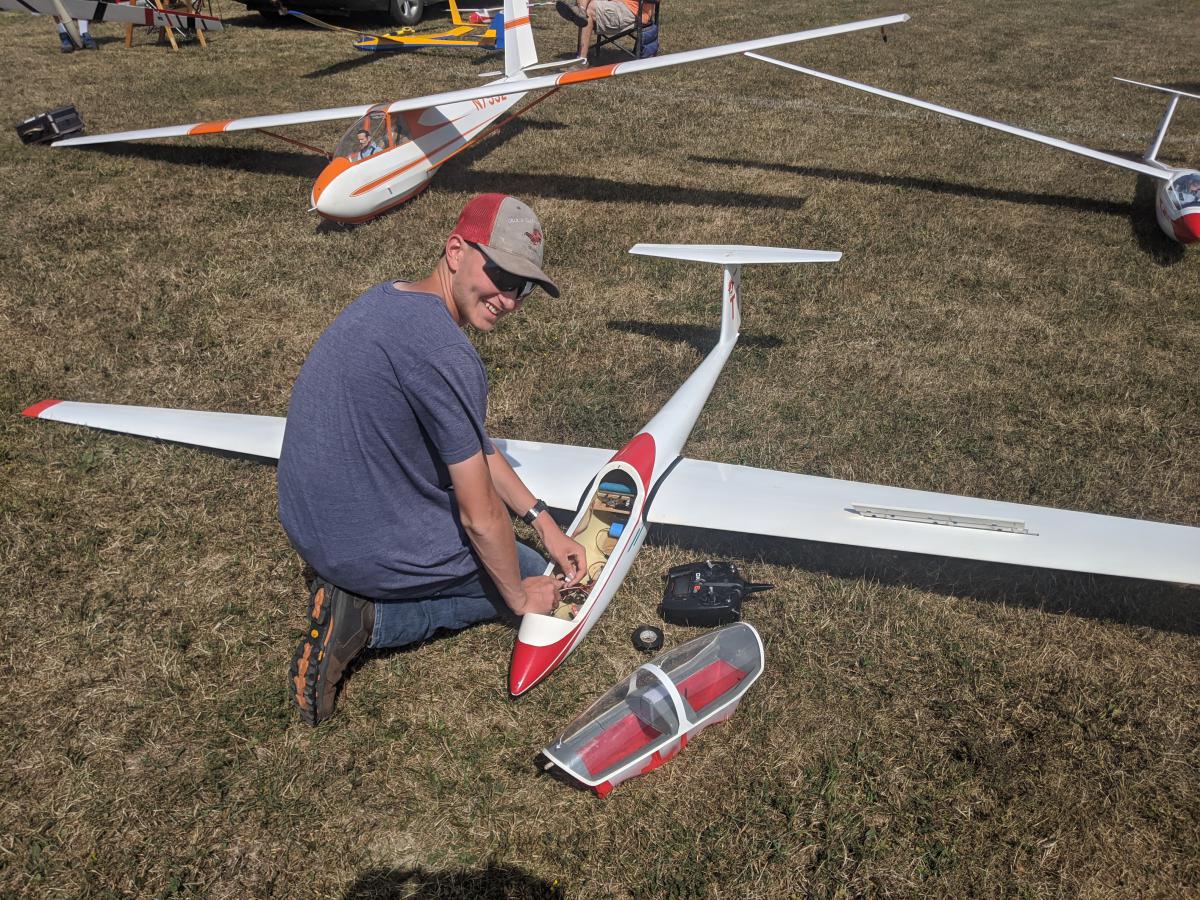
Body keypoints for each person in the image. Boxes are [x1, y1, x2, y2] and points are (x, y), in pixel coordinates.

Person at [278, 194, 588, 725]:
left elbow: (472, 441)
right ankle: (367, 619)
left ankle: (355, 588)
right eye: (500, 275)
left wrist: (544, 521)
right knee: (528, 574)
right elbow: (480, 515)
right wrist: (519, 597)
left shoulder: (388, 299)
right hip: (358, 547)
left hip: (308, 526)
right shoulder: (446, 353)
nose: (509, 300)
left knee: (525, 560)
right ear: (455, 251)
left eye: (522, 288)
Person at [556, 0, 650, 61]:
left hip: (632, 11)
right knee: (586, 9)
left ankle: (581, 60)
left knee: (589, 9)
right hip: (615, 4)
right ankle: (580, 10)